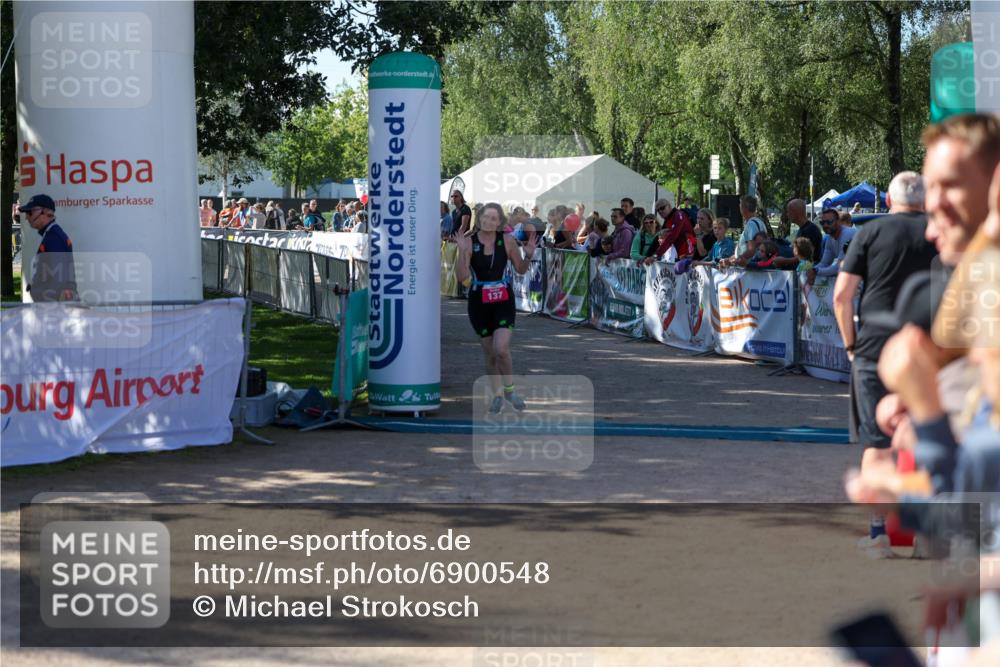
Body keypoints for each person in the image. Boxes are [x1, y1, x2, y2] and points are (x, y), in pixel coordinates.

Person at [454, 203, 538, 414]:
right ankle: (497, 395)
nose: (488, 221)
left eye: (493, 218)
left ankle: (510, 391)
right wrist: (462, 252)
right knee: (490, 353)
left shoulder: (507, 240)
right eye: (485, 217)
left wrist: (528, 255)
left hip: (502, 300)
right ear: (479, 218)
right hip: (479, 302)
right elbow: (462, 277)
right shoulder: (469, 242)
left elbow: (520, 270)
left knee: (501, 349)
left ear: (499, 222)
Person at [20, 194, 76, 302]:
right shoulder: (51, 234)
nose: (27, 217)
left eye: (30, 212)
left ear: (46, 212)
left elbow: (58, 278)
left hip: (54, 308)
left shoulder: (54, 237)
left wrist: (43, 297)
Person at [643, 195, 695, 265]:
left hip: (688, 254)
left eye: (662, 208)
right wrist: (646, 257)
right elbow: (657, 240)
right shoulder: (667, 220)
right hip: (678, 255)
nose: (660, 211)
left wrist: (655, 256)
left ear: (669, 206)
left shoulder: (678, 215)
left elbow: (672, 237)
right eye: (658, 210)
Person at [811, 207, 857, 282]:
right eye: (822, 223)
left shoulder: (848, 234)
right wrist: (811, 270)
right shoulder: (830, 237)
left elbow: (838, 268)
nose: (825, 225)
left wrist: (815, 271)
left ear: (838, 222)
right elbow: (824, 263)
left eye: (829, 222)